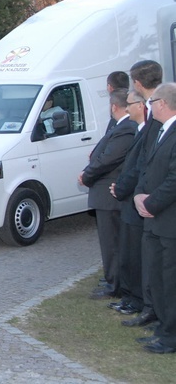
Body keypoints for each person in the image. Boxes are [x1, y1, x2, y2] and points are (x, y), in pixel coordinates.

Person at [109, 60, 163, 325]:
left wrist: (129, 189)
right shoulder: (151, 121)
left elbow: (147, 162)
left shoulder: (157, 119)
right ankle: (145, 304)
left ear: (138, 84)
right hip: (142, 196)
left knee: (149, 260)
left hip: (150, 200)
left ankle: (148, 306)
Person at [79, 89, 136, 301]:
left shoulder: (126, 128)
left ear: (113, 107)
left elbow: (108, 159)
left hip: (109, 192)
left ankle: (115, 284)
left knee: (112, 243)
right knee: (110, 241)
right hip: (105, 191)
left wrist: (87, 175)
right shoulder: (121, 127)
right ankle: (113, 279)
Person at [133, 82, 176, 354]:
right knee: (159, 278)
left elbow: (174, 179)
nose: (150, 106)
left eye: (153, 101)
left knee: (171, 282)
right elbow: (147, 167)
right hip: (156, 219)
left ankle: (170, 337)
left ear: (162, 103)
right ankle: (163, 327)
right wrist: (139, 195)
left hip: (169, 220)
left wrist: (150, 203)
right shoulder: (161, 130)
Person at [108, 91, 147, 318]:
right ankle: (131, 297)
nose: (127, 107)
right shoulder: (140, 130)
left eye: (131, 104)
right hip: (128, 198)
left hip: (135, 200)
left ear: (140, 106)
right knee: (128, 253)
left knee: (134, 255)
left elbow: (139, 168)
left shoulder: (146, 131)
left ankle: (137, 299)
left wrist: (122, 188)